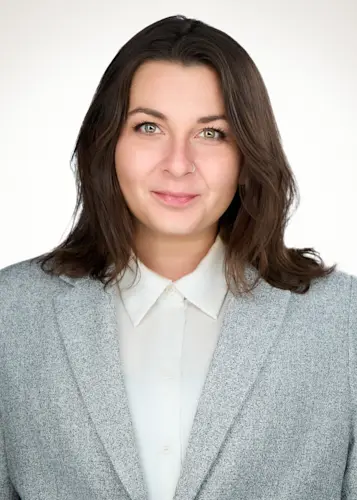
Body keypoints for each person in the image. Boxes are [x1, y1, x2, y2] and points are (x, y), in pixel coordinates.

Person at [0, 14, 356, 500]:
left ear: (248, 156)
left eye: (212, 134)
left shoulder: (344, 321)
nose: (178, 163)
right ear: (107, 146)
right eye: (149, 127)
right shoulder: (12, 312)